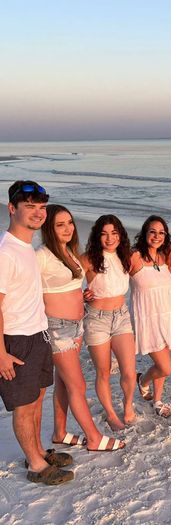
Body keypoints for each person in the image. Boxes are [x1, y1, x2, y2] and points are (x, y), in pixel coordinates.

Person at [0, 181, 73, 485]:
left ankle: (39, 450)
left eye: (41, 207)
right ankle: (35, 465)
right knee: (24, 404)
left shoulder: (25, 246)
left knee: (38, 397)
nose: (38, 213)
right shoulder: (5, 252)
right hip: (16, 339)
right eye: (29, 206)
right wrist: (1, 353)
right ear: (12, 209)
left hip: (38, 333)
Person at [37, 205, 125, 451]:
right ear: (48, 228)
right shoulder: (41, 255)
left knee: (64, 383)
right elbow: (25, 289)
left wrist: (81, 296)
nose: (67, 229)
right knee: (78, 385)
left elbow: (67, 287)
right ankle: (94, 438)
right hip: (57, 328)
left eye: (69, 223)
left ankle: (60, 432)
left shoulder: (69, 252)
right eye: (59, 224)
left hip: (77, 325)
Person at [81, 215, 136, 431]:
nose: (109, 238)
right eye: (104, 233)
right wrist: (81, 294)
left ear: (120, 235)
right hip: (97, 319)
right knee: (103, 371)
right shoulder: (88, 259)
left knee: (129, 371)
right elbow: (68, 282)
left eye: (114, 233)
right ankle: (111, 414)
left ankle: (128, 406)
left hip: (122, 316)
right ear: (97, 236)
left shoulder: (126, 257)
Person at [131, 215, 171, 417]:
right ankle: (143, 380)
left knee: (163, 362)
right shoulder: (134, 256)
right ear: (145, 233)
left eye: (161, 232)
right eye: (152, 232)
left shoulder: (166, 255)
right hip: (148, 318)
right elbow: (116, 278)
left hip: (167, 315)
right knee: (166, 367)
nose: (157, 236)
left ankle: (157, 400)